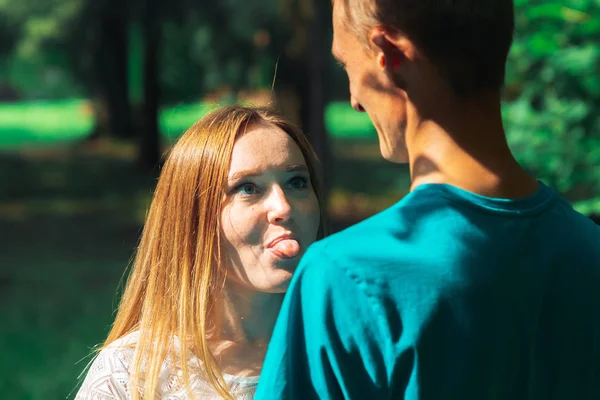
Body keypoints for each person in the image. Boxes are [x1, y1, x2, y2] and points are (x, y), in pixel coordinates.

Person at [255, 0, 600, 398]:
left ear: (390, 55)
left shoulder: (346, 278)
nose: (353, 98)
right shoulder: (589, 252)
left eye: (347, 66)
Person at [75, 105, 327, 400]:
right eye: (248, 188)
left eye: (296, 182)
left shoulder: (351, 349)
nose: (283, 207)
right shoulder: (130, 374)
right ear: (192, 218)